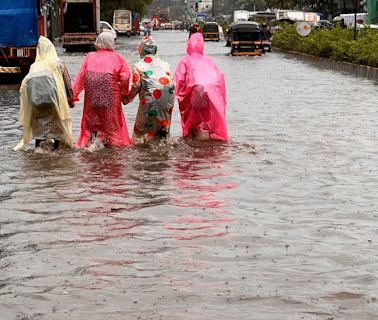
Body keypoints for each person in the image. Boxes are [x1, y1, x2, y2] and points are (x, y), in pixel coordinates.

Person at [14, 36, 74, 151]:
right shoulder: (58, 63)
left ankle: (38, 151)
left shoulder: (34, 66)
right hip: (54, 102)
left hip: (36, 104)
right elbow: (67, 83)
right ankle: (56, 151)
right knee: (57, 132)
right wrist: (70, 99)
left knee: (39, 131)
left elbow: (26, 86)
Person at [72, 32, 131, 148]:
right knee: (112, 128)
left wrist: (73, 96)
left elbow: (81, 77)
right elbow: (125, 78)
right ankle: (112, 154)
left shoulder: (90, 56)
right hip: (110, 100)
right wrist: (124, 95)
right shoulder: (118, 58)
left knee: (92, 127)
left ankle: (92, 148)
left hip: (91, 101)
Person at [175, 32, 228, 141]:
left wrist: (176, 95)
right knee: (207, 120)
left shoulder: (185, 60)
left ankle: (195, 143)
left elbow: (178, 80)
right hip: (212, 94)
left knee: (194, 120)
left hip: (195, 92)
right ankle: (208, 141)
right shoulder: (209, 60)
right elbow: (219, 78)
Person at [123, 36, 175, 145]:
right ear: (155, 49)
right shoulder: (165, 64)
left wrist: (127, 99)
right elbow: (173, 82)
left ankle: (145, 157)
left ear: (141, 49)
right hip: (168, 101)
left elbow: (136, 84)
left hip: (149, 101)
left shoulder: (138, 65)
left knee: (139, 135)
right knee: (163, 133)